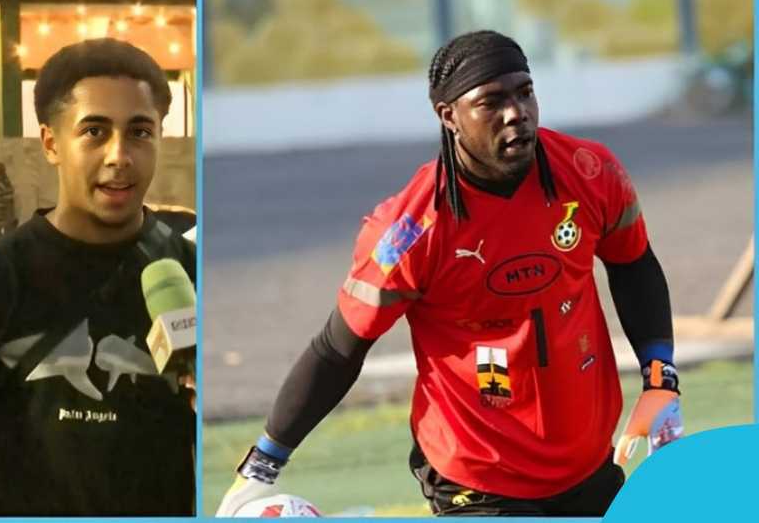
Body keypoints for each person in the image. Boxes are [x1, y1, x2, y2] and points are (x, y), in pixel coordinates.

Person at [215, 30, 681, 517]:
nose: (516, 113)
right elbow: (338, 349)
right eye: (491, 101)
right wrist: (263, 462)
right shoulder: (409, 231)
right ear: (448, 116)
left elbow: (634, 265)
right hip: (478, 479)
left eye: (524, 92)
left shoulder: (590, 173)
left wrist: (660, 377)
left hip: (587, 466)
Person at [0, 38, 195, 516]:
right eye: (95, 132)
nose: (120, 155)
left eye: (140, 132)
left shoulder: (193, 276)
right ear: (52, 144)